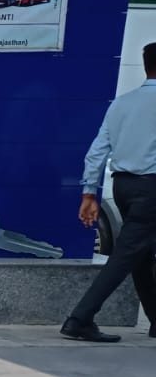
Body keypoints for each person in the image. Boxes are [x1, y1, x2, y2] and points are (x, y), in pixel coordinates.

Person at [61, 42, 156, 342]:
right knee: (126, 255)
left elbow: (97, 151)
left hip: (124, 186)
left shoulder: (122, 103)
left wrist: (89, 193)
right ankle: (79, 319)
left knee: (139, 254)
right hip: (151, 188)